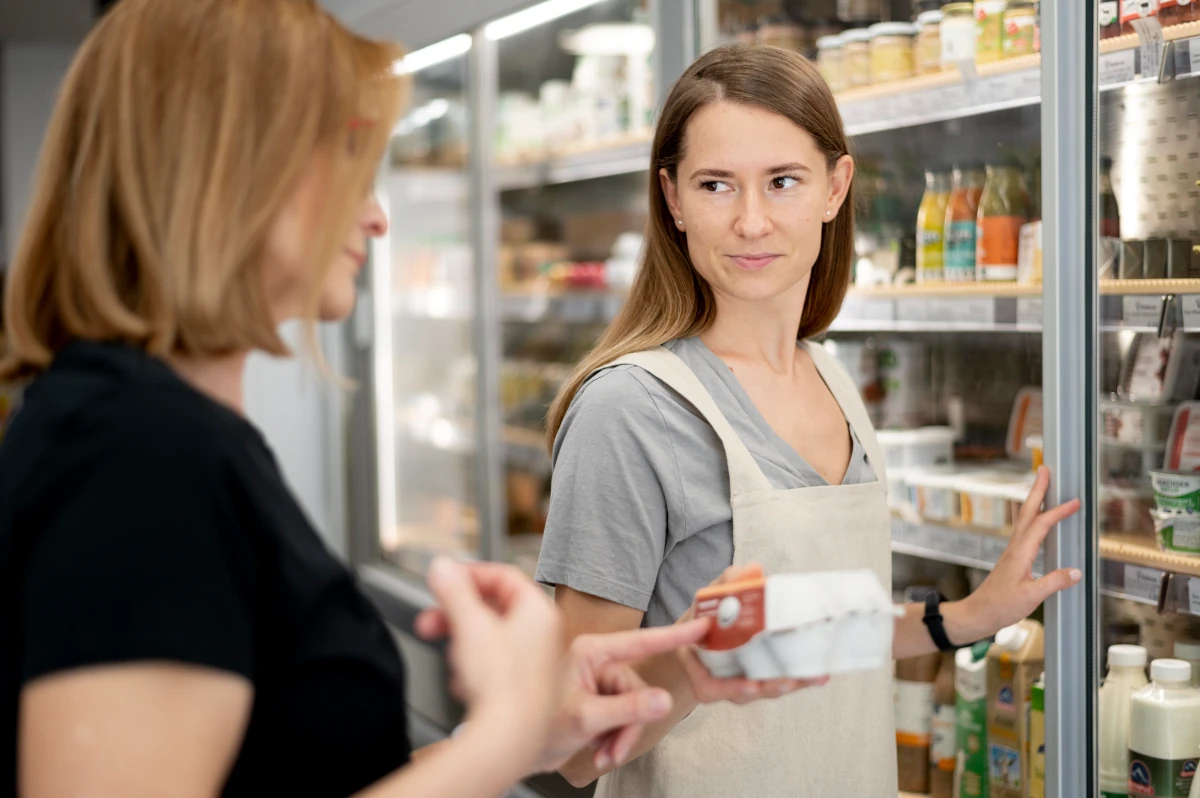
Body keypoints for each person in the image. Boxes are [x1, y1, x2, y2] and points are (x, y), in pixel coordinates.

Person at [0, 1, 711, 796]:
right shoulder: (133, 454)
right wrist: (503, 731)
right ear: (225, 164)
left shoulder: (166, 435)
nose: (376, 217)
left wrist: (523, 732)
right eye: (348, 158)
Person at [535, 44, 1083, 797]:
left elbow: (813, 638)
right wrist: (704, 664)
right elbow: (575, 746)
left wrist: (966, 615)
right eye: (716, 184)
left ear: (835, 187)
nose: (751, 221)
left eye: (783, 182)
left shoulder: (831, 377)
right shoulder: (630, 410)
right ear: (674, 200)